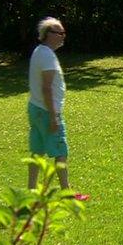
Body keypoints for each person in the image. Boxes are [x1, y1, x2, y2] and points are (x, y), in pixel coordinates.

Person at [27, 17, 89, 200]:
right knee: (60, 151)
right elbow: (47, 87)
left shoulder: (40, 51)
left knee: (37, 151)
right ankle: (66, 192)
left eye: (63, 32)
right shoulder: (45, 54)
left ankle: (31, 191)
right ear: (48, 35)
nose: (63, 36)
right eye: (59, 33)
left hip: (36, 108)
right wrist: (54, 116)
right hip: (47, 111)